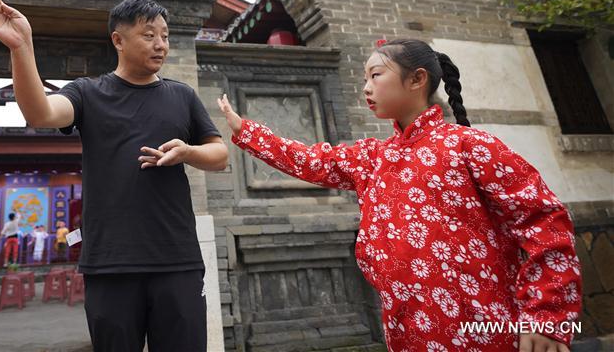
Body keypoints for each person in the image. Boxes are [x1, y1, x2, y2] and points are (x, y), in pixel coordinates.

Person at [217, 38, 581, 352]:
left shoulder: (469, 145)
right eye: (365, 79)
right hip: (408, 331)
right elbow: (311, 160)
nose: (365, 87)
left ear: (417, 79)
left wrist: (548, 316)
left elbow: (543, 220)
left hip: (482, 329)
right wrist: (246, 131)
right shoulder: (373, 157)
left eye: (375, 75)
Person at [0, 0, 228, 352]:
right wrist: (21, 47)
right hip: (110, 262)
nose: (160, 44)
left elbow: (219, 155)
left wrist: (188, 151)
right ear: (118, 40)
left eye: (165, 36)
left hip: (177, 259)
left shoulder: (182, 95)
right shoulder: (88, 93)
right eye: (148, 35)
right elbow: (40, 114)